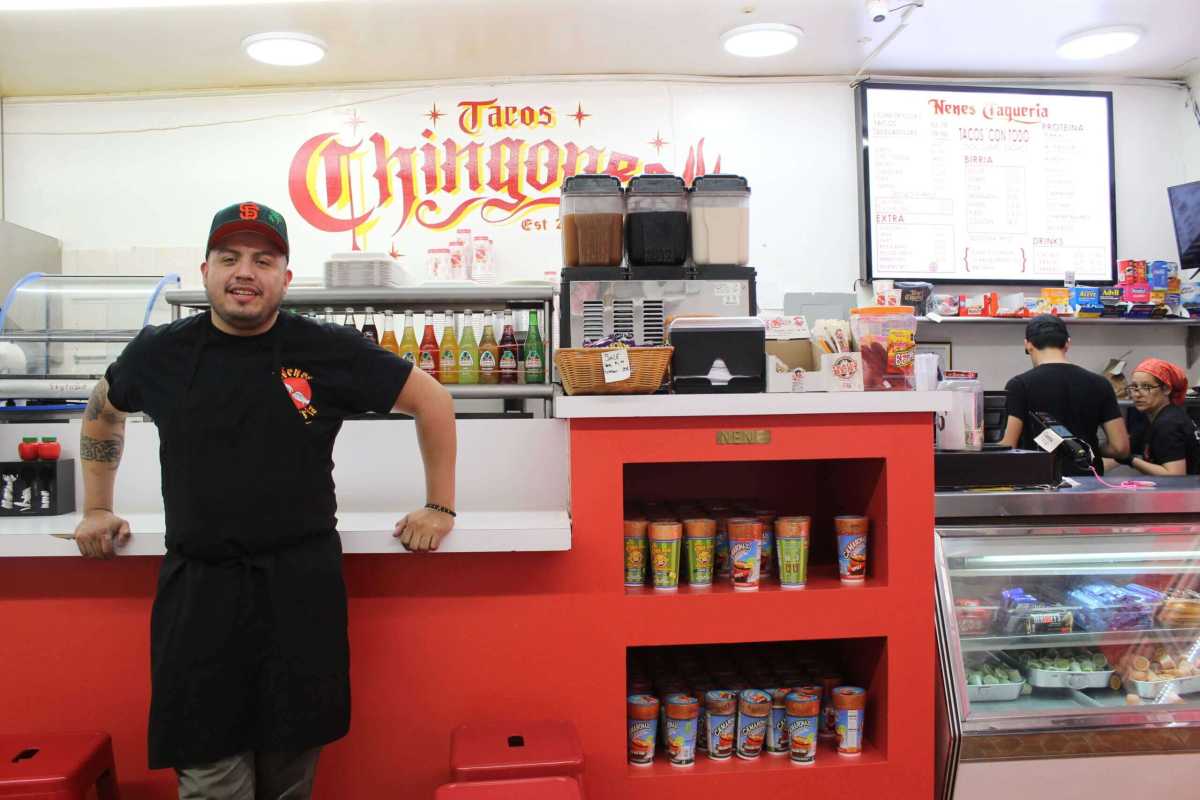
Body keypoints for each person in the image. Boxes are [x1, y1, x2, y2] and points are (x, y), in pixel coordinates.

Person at [72, 201, 457, 800]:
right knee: (210, 782)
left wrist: (440, 505)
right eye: (230, 258)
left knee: (288, 785)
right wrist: (96, 506)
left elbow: (431, 400)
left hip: (299, 595)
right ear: (205, 271)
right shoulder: (160, 352)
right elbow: (103, 413)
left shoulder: (326, 349)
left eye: (263, 259)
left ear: (286, 276)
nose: (245, 271)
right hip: (199, 597)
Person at [1000, 314, 1129, 472]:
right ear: (1067, 344)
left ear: (1028, 345)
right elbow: (1120, 448)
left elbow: (1008, 446)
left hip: (1040, 480)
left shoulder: (1019, 385)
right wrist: (1089, 448)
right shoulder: (1100, 384)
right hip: (1088, 483)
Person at [1111, 358, 1199, 476]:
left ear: (1166, 389)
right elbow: (1118, 455)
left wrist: (1131, 460)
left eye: (1146, 387)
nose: (1137, 394)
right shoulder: (1155, 419)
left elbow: (1175, 475)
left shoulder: (1169, 423)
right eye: (1134, 387)